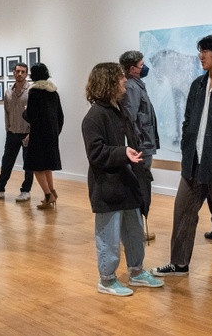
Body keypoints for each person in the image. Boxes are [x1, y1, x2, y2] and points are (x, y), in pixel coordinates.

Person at [152, 35, 212, 280]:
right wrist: (186, 146)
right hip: (193, 161)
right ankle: (178, 263)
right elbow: (188, 121)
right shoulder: (198, 85)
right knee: (183, 210)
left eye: (205, 51)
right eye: (200, 51)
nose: (200, 56)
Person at [82, 62, 164, 296]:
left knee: (134, 230)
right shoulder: (94, 117)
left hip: (128, 183)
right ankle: (106, 280)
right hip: (107, 186)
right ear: (108, 82)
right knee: (108, 235)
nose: (124, 82)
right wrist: (122, 153)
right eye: (120, 79)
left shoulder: (120, 109)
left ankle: (136, 271)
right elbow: (95, 153)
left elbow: (132, 140)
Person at [119, 50, 159, 241]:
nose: (145, 68)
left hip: (144, 143)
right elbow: (131, 118)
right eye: (141, 65)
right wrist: (137, 145)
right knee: (141, 187)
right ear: (132, 69)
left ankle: (138, 229)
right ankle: (137, 230)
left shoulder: (137, 85)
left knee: (143, 185)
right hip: (141, 146)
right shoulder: (132, 88)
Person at [0, 63, 34, 202]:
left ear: (26, 74)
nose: (20, 74)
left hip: (27, 133)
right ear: (13, 73)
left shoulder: (32, 91)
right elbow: (6, 112)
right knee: (7, 162)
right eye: (18, 71)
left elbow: (36, 114)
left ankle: (26, 191)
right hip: (12, 132)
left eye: (23, 72)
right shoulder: (8, 91)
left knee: (28, 164)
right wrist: (7, 128)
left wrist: (32, 132)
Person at [22, 63, 64, 209]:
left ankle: (47, 195)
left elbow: (31, 116)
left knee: (36, 166)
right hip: (51, 134)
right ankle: (52, 192)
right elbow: (60, 116)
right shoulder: (54, 92)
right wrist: (55, 132)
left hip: (39, 134)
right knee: (47, 165)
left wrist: (25, 111)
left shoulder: (34, 92)